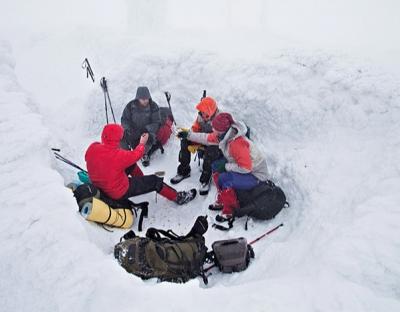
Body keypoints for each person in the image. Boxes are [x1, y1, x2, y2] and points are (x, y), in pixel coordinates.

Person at [85, 124, 197, 205]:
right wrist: (142, 143)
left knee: (130, 165)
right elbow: (136, 155)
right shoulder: (118, 155)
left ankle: (141, 181)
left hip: (102, 186)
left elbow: (108, 160)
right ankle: (178, 197)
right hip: (118, 192)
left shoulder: (92, 148)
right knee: (155, 181)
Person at [184, 112, 268, 216]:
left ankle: (230, 210)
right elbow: (206, 138)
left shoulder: (236, 143)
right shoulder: (223, 136)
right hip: (243, 166)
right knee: (215, 167)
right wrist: (188, 135)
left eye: (215, 128)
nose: (212, 129)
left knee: (226, 180)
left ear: (222, 130)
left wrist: (226, 166)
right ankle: (223, 199)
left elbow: (246, 168)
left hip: (256, 175)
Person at [170, 96, 222, 196]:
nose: (201, 114)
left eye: (203, 112)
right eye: (201, 112)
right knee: (185, 141)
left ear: (210, 111)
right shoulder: (201, 116)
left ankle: (206, 179)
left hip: (215, 145)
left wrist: (192, 136)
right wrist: (187, 134)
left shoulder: (219, 120)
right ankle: (184, 170)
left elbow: (213, 139)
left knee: (210, 151)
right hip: (203, 140)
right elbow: (195, 129)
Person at [121, 86, 161, 167]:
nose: (145, 101)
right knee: (121, 138)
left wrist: (146, 128)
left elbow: (156, 123)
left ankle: (144, 154)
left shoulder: (153, 106)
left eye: (147, 98)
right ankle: (126, 155)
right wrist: (130, 128)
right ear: (138, 98)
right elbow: (124, 120)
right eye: (143, 99)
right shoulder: (130, 106)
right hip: (133, 131)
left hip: (146, 132)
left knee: (148, 140)